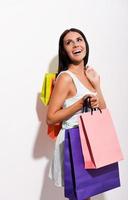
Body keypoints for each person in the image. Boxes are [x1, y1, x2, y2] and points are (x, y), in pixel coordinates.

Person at [46, 28, 106, 199]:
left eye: (79, 39)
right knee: (81, 195)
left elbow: (103, 111)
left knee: (86, 194)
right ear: (64, 50)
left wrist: (97, 86)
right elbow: (50, 118)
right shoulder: (65, 78)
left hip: (91, 139)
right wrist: (80, 104)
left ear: (85, 44)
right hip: (75, 142)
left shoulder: (89, 75)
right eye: (69, 42)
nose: (75, 44)